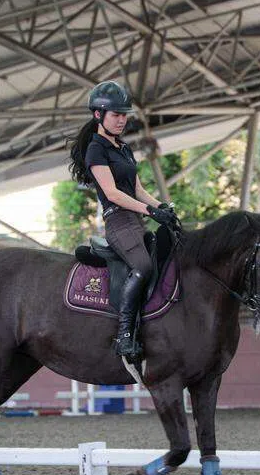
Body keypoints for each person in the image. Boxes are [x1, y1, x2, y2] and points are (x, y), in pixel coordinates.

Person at [67, 80, 181, 360]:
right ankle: (125, 335)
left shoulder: (123, 147)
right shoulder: (96, 149)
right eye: (116, 115)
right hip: (118, 222)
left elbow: (138, 190)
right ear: (98, 115)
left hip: (136, 219)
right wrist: (150, 212)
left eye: (124, 114)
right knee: (142, 266)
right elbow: (113, 193)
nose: (122, 120)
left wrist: (162, 207)